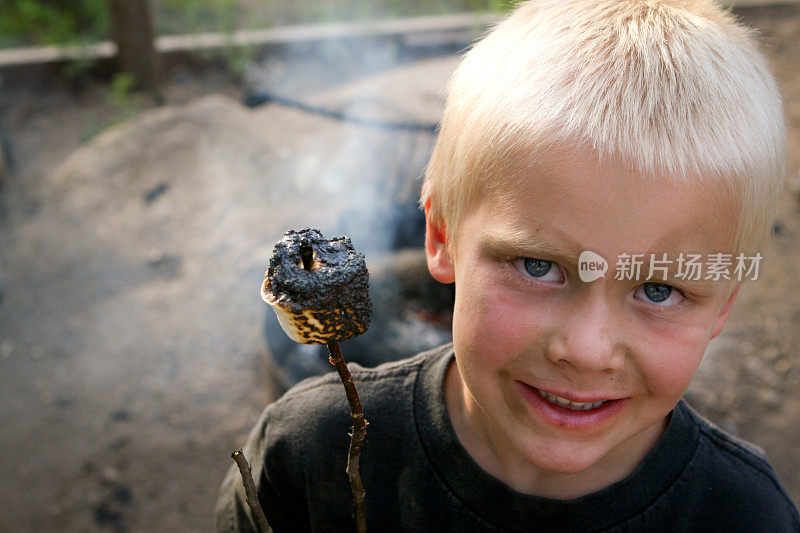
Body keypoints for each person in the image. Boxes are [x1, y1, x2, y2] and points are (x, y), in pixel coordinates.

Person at [215, 1, 800, 530]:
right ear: (441, 235)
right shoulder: (310, 456)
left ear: (723, 302)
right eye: (538, 266)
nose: (587, 349)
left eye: (659, 289)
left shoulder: (745, 515)